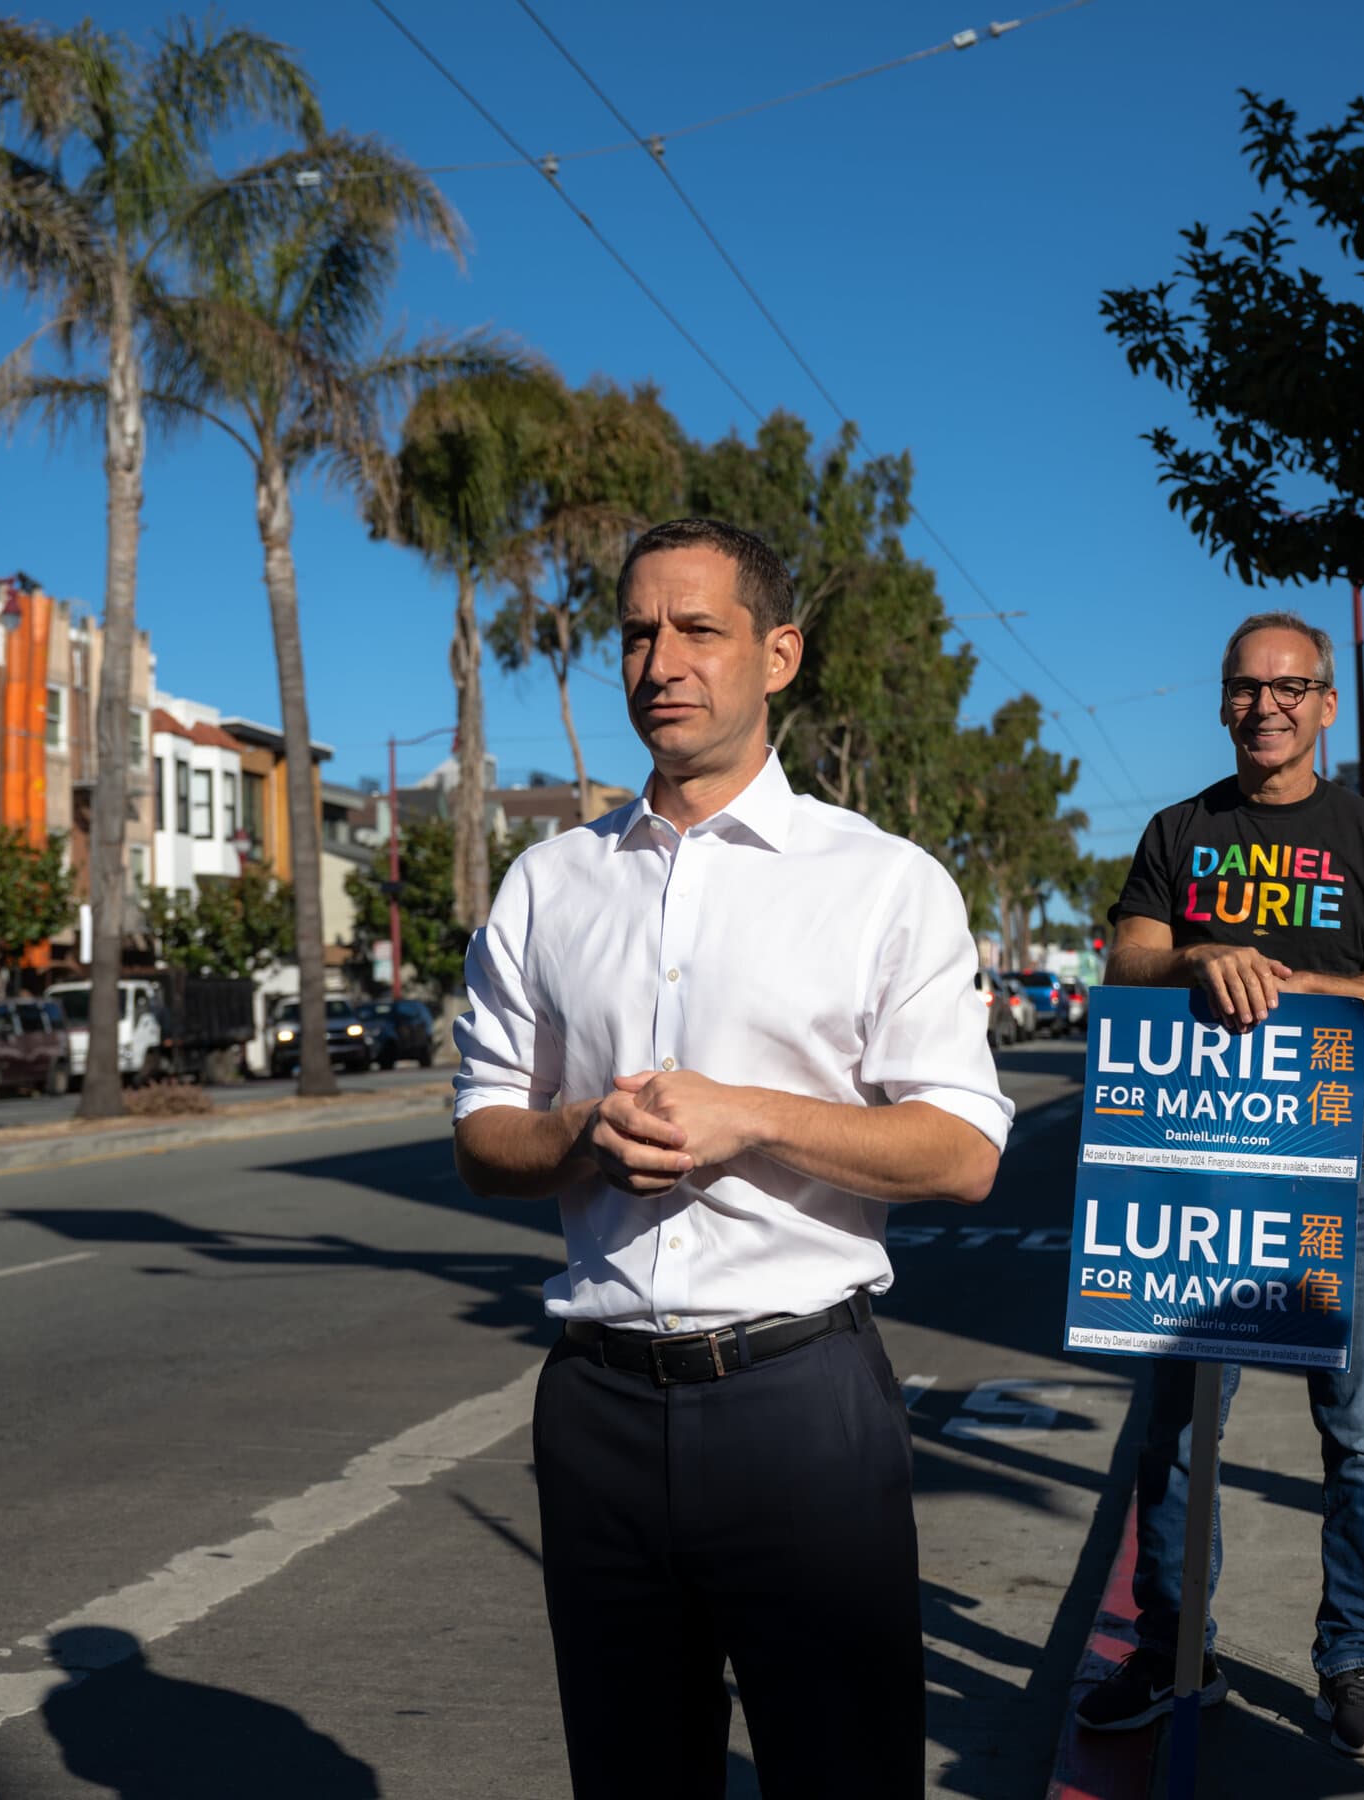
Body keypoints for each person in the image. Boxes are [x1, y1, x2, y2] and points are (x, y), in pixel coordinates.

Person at [451, 517, 1013, 1800]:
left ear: (779, 654)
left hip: (798, 1403)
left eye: (699, 630)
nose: (663, 662)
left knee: (843, 1773)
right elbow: (485, 1134)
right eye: (639, 634)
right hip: (592, 1406)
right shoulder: (549, 884)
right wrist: (583, 1131)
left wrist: (750, 1115)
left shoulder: (882, 881)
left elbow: (964, 1147)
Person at [1074, 610, 1364, 1760]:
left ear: (1327, 705)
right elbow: (1128, 963)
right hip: (1198, 1163)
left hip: (1350, 1166)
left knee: (1363, 1433)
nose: (1267, 705)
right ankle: (1173, 1650)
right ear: (1224, 702)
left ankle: (1351, 1662)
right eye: (1247, 687)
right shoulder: (1182, 832)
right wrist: (1197, 956)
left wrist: (1283, 985)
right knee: (1178, 1429)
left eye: (1291, 688)